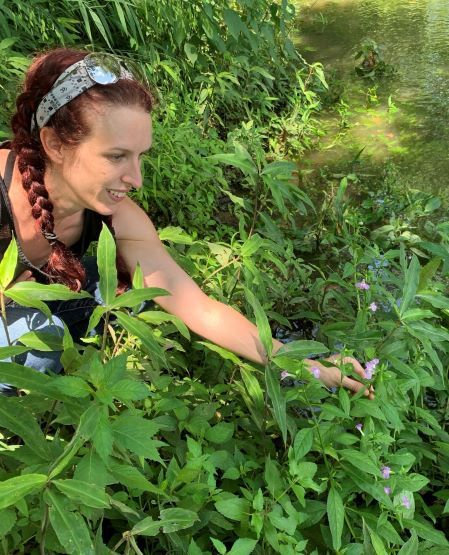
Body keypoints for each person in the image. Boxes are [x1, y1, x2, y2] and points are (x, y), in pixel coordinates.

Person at [0, 48, 373, 398]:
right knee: (40, 337)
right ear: (55, 144)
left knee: (135, 291)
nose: (136, 179)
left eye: (140, 156)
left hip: (35, 305)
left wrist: (307, 366)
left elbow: (197, 306)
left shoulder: (115, 212)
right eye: (116, 156)